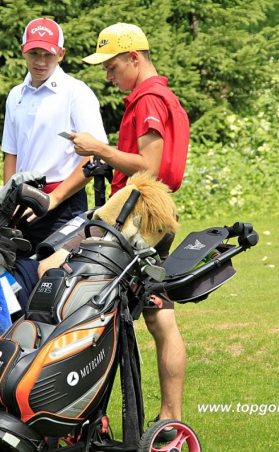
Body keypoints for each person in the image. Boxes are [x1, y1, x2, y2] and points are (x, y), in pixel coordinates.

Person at [71, 23, 190, 426]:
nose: (108, 76)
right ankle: (167, 417)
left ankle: (105, 415)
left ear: (134, 58)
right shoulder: (158, 96)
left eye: (112, 66)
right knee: (158, 317)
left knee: (80, 297)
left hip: (139, 217)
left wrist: (98, 148)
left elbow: (150, 168)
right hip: (152, 214)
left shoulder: (149, 99)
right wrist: (108, 161)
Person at [2, 17, 108, 252]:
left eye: (48, 54)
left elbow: (94, 155)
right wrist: (8, 200)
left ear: (61, 54)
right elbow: (11, 153)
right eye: (34, 53)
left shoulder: (77, 93)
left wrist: (55, 199)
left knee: (55, 279)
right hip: (23, 202)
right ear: (23, 52)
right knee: (18, 274)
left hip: (63, 204)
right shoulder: (15, 95)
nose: (40, 61)